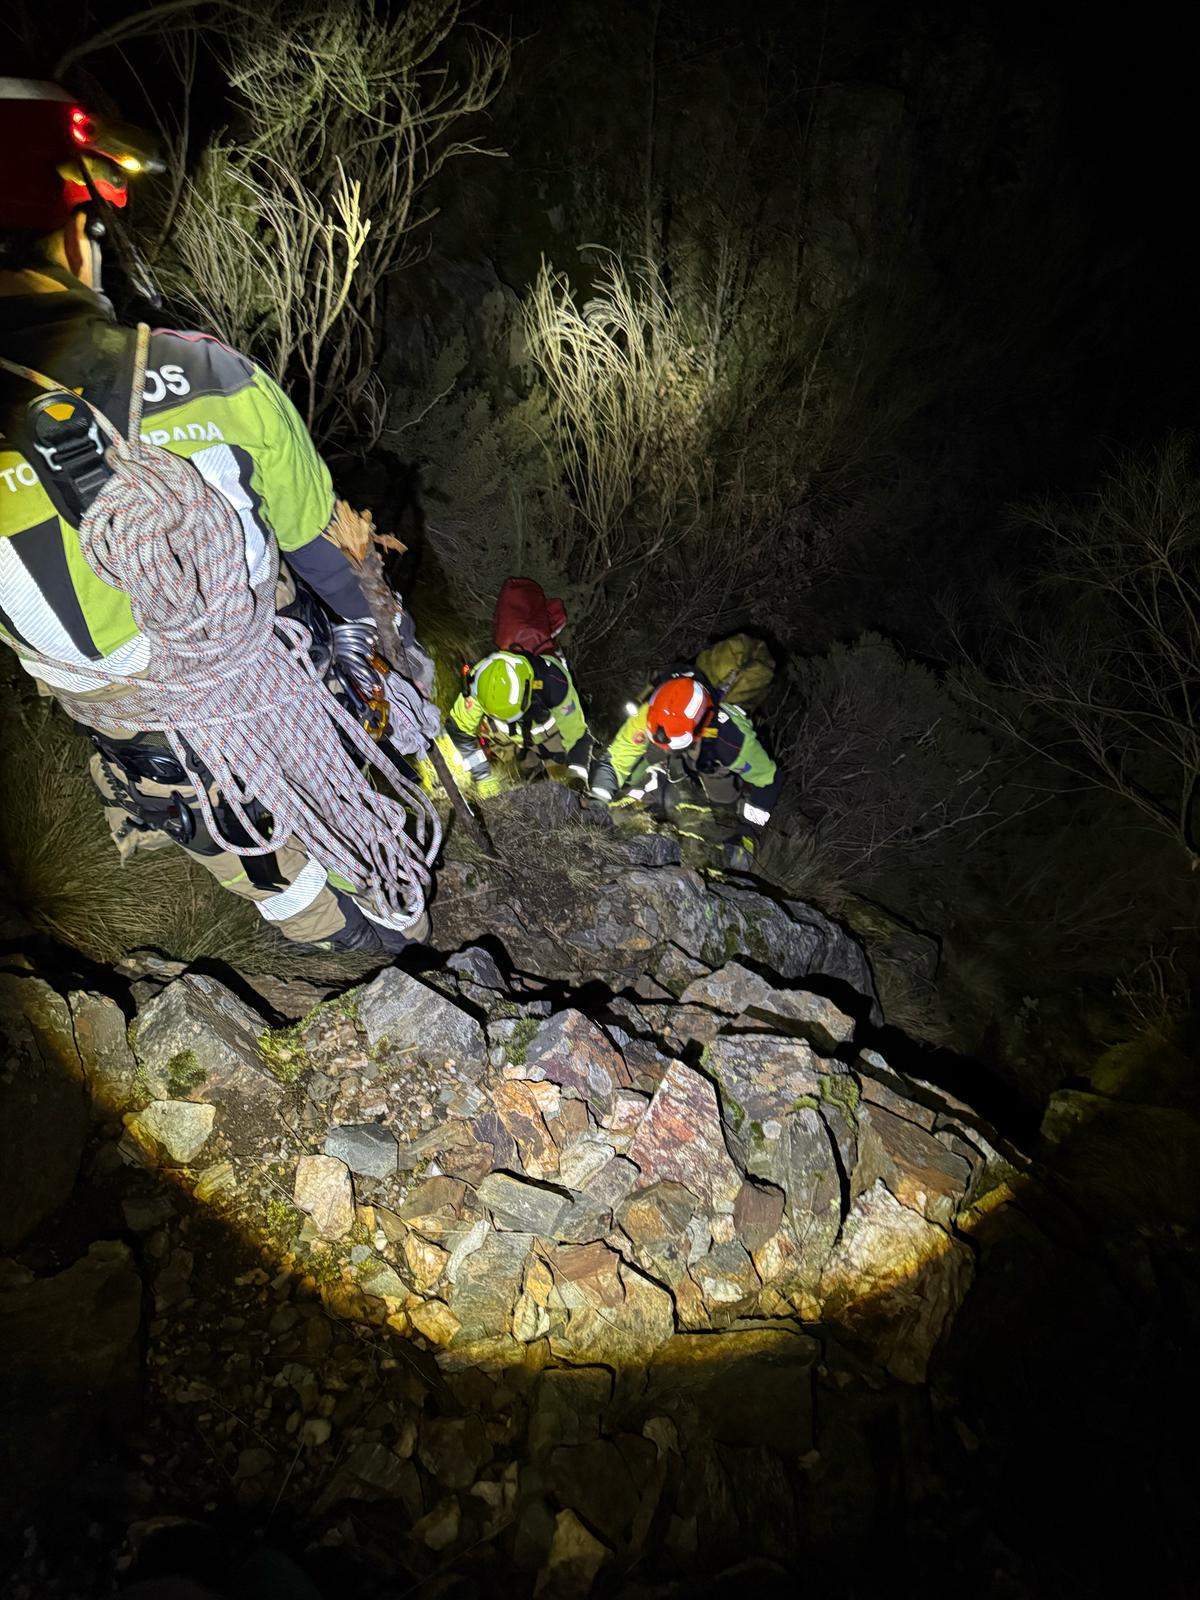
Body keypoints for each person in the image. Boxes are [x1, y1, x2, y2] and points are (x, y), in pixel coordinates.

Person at [0, 79, 425, 952]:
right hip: (265, 667)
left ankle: (317, 918)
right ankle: (365, 913)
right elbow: (319, 545)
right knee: (385, 906)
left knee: (227, 817)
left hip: (131, 723)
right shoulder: (209, 374)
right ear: (79, 231)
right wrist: (381, 646)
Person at [588, 669, 779, 868]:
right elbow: (616, 759)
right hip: (670, 761)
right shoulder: (654, 714)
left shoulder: (732, 741)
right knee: (635, 780)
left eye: (673, 743)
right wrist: (599, 798)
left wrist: (748, 831)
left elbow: (770, 780)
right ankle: (653, 789)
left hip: (712, 770)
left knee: (719, 818)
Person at [445, 645, 593, 796]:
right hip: (508, 741)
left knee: (560, 775)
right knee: (519, 772)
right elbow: (459, 730)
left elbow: (577, 737)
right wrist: (482, 775)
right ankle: (526, 768)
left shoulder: (553, 683)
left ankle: (547, 769)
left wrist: (577, 777)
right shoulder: (479, 683)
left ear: (527, 688)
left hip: (547, 737)